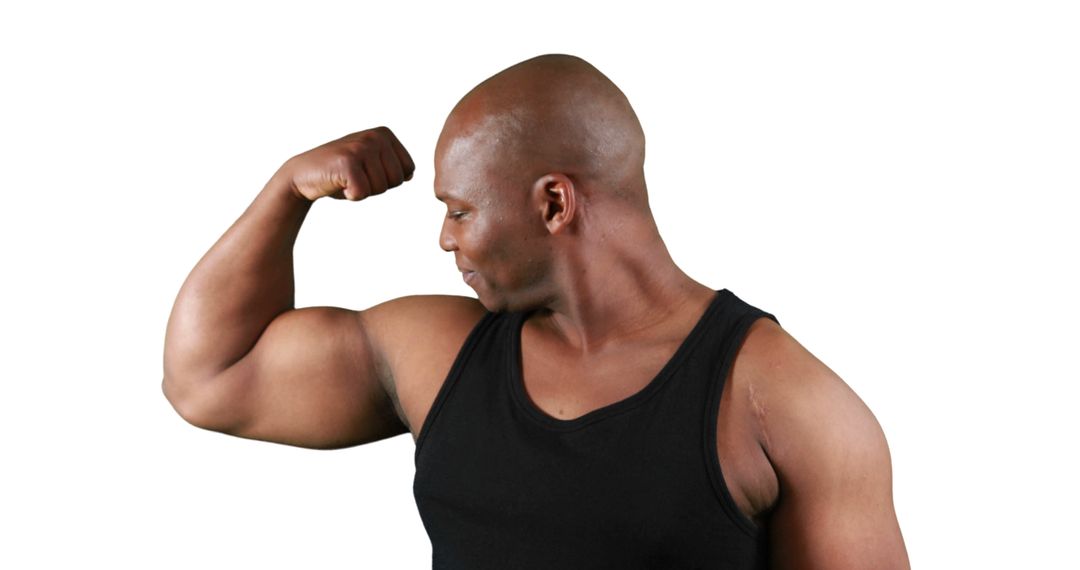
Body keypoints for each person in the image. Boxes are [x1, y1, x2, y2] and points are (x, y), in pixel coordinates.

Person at [162, 54, 910, 569]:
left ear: (553, 203)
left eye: (460, 209)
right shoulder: (439, 352)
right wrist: (286, 193)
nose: (445, 237)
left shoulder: (784, 403)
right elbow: (210, 377)